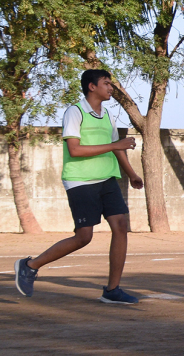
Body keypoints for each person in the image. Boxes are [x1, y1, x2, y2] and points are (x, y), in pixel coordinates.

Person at [14, 69, 145, 303]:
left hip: (107, 179)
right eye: (106, 83)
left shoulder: (108, 115)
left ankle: (112, 290)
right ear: (92, 87)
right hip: (81, 181)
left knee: (120, 225)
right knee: (84, 237)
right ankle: (30, 265)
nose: (111, 88)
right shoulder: (75, 112)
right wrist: (116, 144)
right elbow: (75, 150)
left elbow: (117, 148)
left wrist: (132, 174)